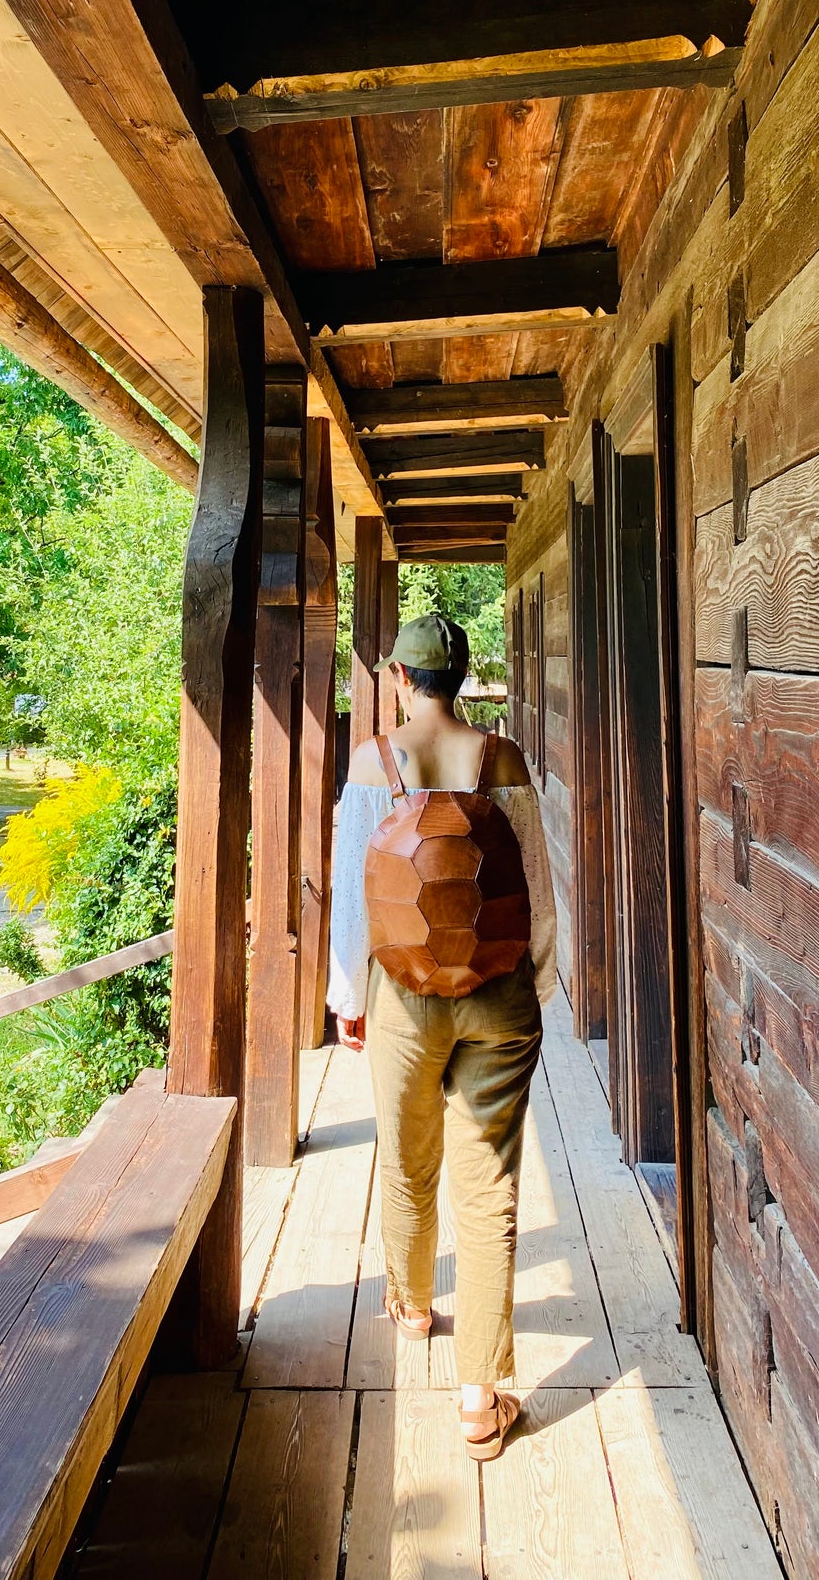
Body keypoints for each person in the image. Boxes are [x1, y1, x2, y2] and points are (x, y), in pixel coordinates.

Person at [328, 613, 556, 1462]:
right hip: (496, 995)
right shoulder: (501, 759)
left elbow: (355, 896)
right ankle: (477, 1396)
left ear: (397, 678)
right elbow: (533, 879)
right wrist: (534, 983)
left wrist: (347, 995)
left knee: (405, 1153)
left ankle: (413, 1301)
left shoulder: (371, 764)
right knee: (488, 1183)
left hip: (403, 998)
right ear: (459, 677)